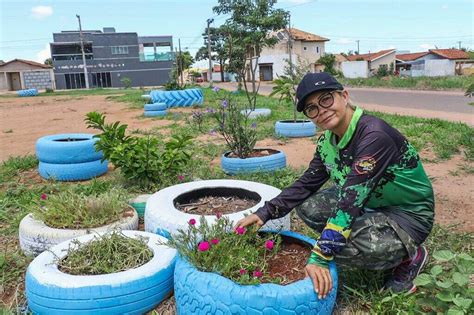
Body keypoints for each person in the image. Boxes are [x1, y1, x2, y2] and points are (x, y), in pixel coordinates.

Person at [235, 72, 434, 299]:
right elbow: (307, 183)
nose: (321, 110)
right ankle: (357, 231)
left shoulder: (374, 135)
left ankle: (410, 256)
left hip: (407, 215)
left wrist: (321, 256)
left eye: (326, 99)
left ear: (344, 96)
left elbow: (349, 202)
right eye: (311, 108)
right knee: (308, 207)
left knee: (341, 250)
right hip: (368, 203)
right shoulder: (326, 142)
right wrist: (265, 212)